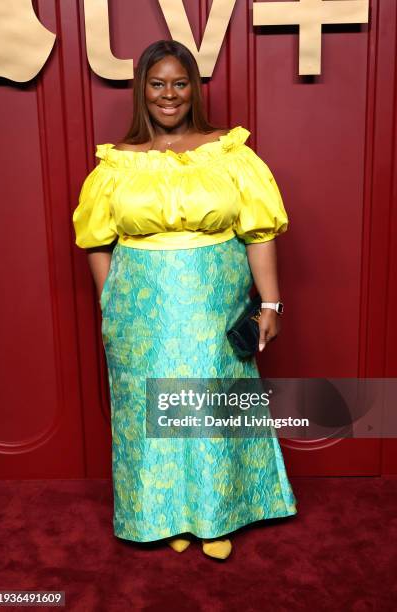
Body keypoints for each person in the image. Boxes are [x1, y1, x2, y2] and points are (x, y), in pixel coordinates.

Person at [72, 39, 297, 560]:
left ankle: (214, 515)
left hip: (211, 298)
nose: (168, 95)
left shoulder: (229, 153)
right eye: (157, 84)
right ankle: (163, 514)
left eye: (179, 83)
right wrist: (112, 304)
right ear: (142, 91)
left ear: (193, 88)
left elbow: (260, 232)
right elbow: (94, 241)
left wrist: (271, 305)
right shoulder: (117, 164)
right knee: (148, 408)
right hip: (139, 308)